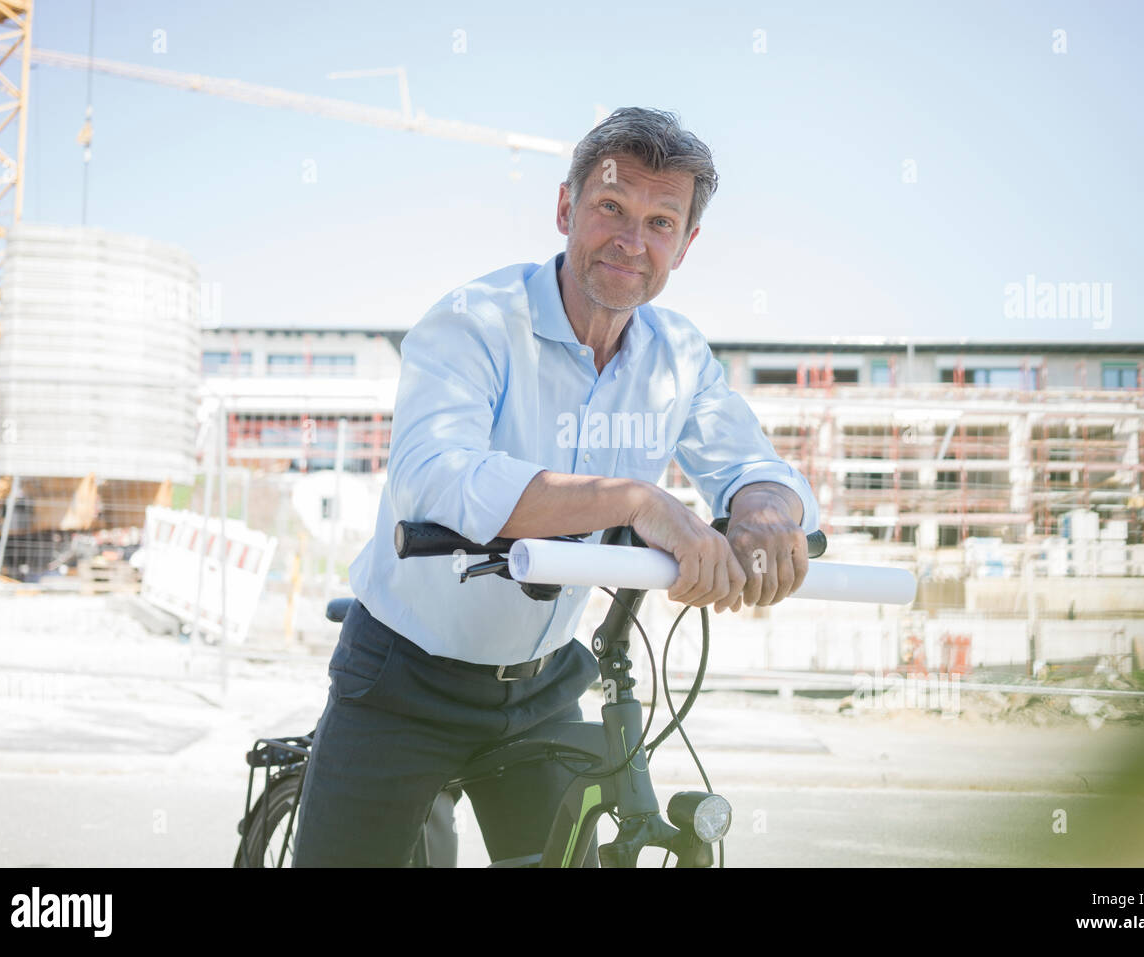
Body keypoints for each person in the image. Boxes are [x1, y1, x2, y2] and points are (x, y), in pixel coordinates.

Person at [292, 107, 820, 867]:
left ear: (686, 243)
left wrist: (766, 510)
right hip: (404, 677)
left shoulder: (678, 355)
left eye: (660, 221)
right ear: (567, 206)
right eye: (611, 207)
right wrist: (639, 502)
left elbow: (748, 461)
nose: (631, 241)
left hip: (542, 690)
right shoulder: (475, 321)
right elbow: (434, 476)